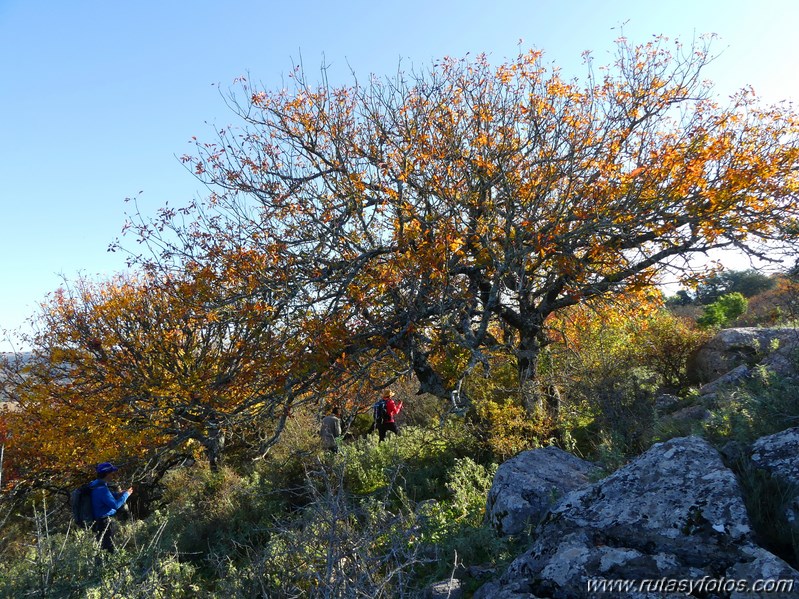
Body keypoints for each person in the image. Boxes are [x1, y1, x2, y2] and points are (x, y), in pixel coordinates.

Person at [90, 462, 133, 553]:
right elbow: (116, 505)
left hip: (97, 521)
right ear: (106, 474)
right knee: (108, 548)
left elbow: (104, 497)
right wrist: (126, 494)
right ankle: (107, 566)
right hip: (104, 522)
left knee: (102, 547)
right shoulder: (102, 489)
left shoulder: (94, 484)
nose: (113, 475)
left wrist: (118, 494)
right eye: (111, 473)